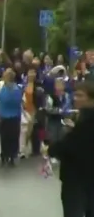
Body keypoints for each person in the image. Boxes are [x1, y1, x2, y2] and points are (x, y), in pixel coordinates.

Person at [43, 81, 94, 217]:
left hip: (77, 179)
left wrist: (50, 149)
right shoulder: (82, 117)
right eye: (75, 95)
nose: (75, 98)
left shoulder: (87, 121)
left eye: (80, 95)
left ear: (91, 99)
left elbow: (70, 146)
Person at [0, 68, 23, 167]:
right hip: (14, 117)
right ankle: (10, 156)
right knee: (12, 137)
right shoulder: (16, 88)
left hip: (7, 116)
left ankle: (6, 155)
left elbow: (3, 99)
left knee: (6, 137)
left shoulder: (11, 89)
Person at [44, 78, 72, 164]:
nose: (60, 86)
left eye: (62, 84)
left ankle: (59, 154)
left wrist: (68, 112)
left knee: (61, 137)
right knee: (53, 138)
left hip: (63, 120)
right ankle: (51, 155)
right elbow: (48, 109)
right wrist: (58, 111)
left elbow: (69, 106)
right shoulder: (50, 96)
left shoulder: (66, 95)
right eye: (58, 84)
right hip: (53, 120)